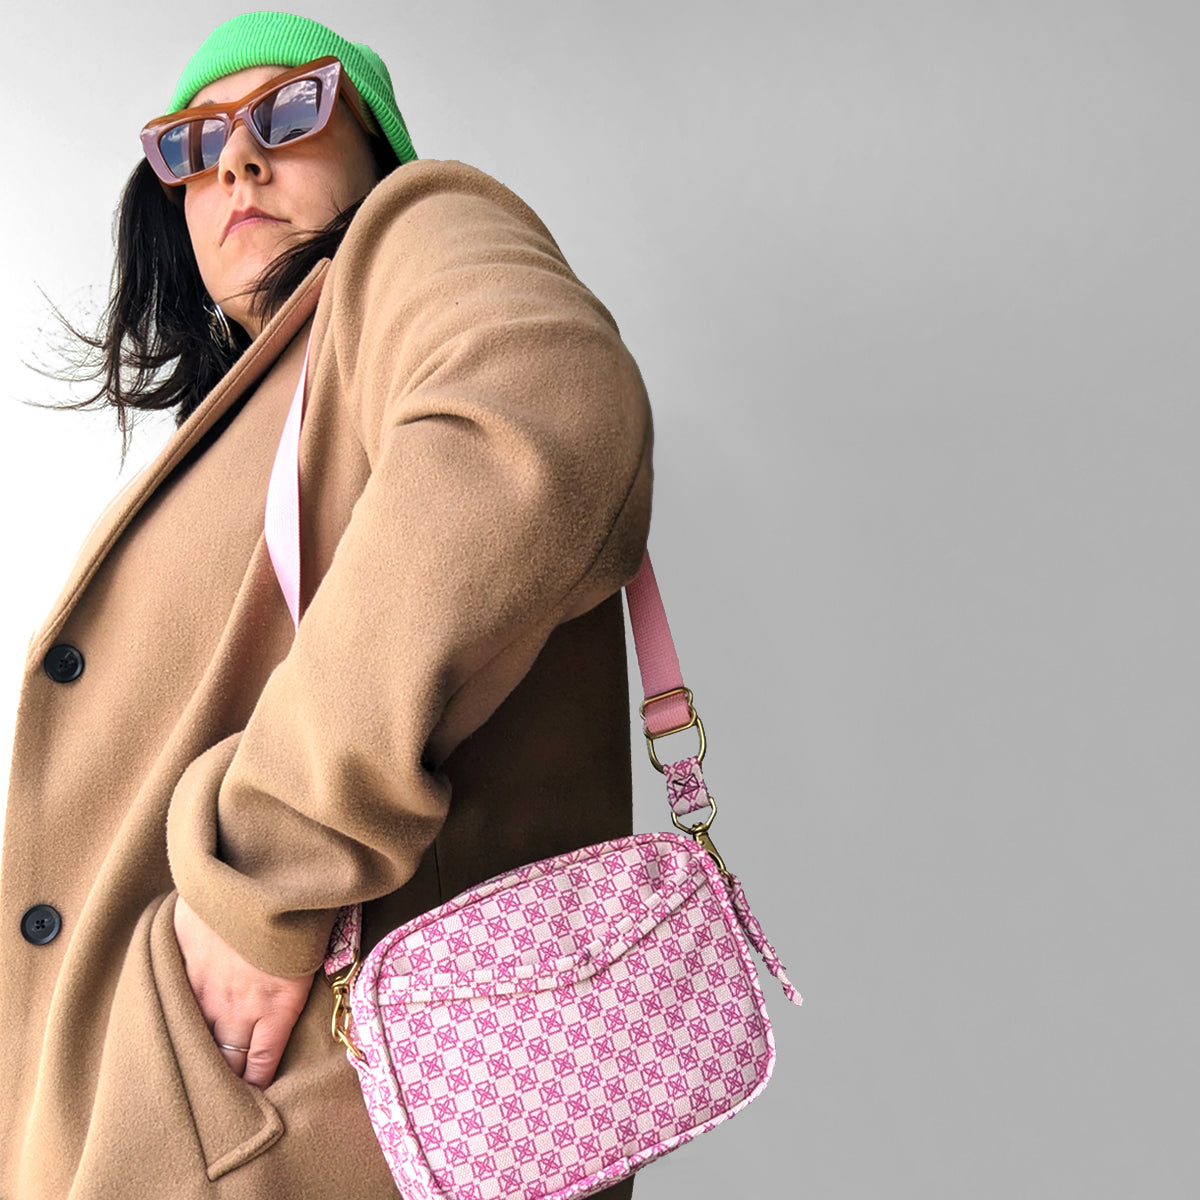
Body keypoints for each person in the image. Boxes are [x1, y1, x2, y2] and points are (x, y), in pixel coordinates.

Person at [0, 11, 651, 1199]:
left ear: (377, 147)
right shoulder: (269, 408)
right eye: (193, 144)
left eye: (291, 113)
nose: (237, 162)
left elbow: (542, 412)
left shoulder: (417, 234)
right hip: (202, 1113)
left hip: (306, 1117)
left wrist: (267, 879)